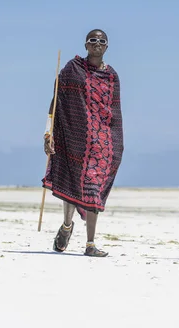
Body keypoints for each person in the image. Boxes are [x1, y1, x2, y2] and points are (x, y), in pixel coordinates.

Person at [42, 29, 124, 257]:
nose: (97, 44)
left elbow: (114, 111)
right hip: (74, 136)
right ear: (86, 45)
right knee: (72, 184)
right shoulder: (72, 69)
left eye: (101, 41)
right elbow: (57, 100)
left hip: (102, 142)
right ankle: (67, 225)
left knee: (93, 190)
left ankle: (90, 244)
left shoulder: (112, 76)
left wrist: (116, 142)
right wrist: (49, 133)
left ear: (107, 46)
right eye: (92, 40)